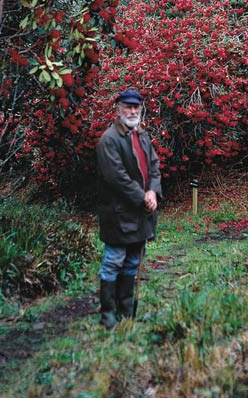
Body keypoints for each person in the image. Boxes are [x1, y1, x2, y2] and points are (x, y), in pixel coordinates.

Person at [95, 89, 163, 329]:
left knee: (133, 261)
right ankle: (108, 314)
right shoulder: (109, 140)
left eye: (136, 107)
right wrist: (142, 197)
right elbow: (117, 178)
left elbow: (154, 165)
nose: (133, 111)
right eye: (128, 107)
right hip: (118, 213)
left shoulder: (141, 135)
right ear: (118, 109)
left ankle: (126, 311)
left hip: (139, 213)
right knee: (114, 261)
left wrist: (153, 191)